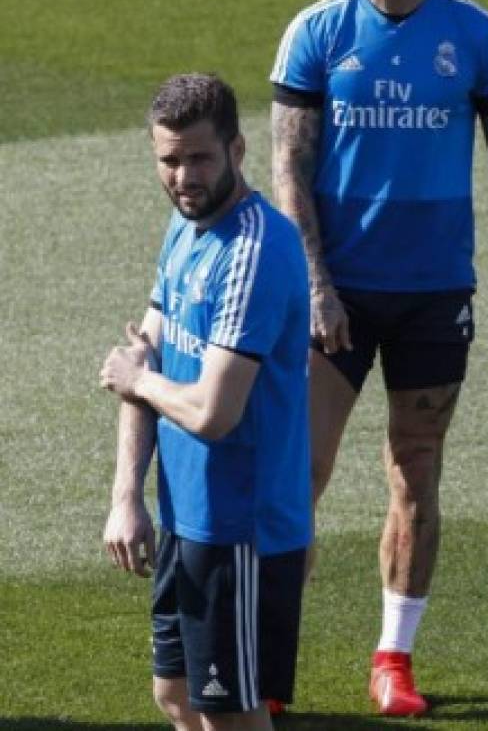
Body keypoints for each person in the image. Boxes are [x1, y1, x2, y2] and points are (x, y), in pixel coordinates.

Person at [269, 0, 488, 717]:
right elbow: (289, 167)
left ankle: (394, 658)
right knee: (297, 476)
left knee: (416, 471)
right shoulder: (317, 33)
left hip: (434, 294)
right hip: (339, 291)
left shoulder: (478, 35)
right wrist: (314, 281)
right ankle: (271, 662)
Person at [100, 73, 312, 731]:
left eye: (200, 158)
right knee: (175, 697)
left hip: (239, 530)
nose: (184, 176)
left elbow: (213, 414)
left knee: (232, 718)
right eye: (169, 160)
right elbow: (148, 352)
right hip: (185, 518)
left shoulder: (256, 250)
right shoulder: (184, 228)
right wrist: (127, 495)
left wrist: (137, 381)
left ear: (238, 150)